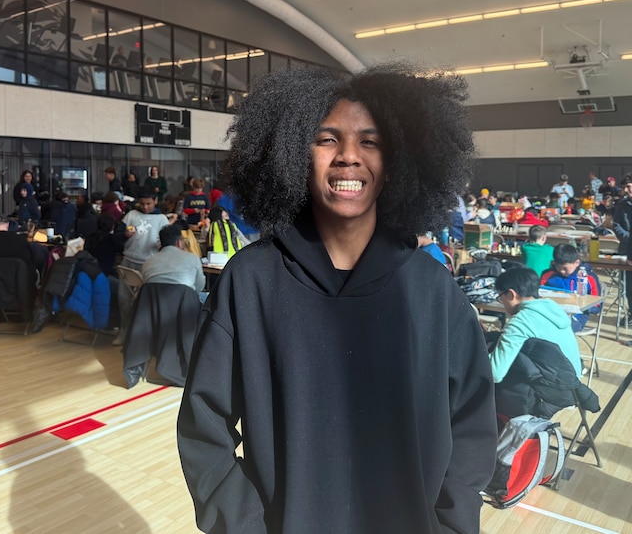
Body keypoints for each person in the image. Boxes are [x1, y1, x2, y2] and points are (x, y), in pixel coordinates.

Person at [177, 65, 497, 533]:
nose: (349, 156)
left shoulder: (432, 290)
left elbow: (473, 423)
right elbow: (204, 427)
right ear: (292, 156)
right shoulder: (250, 283)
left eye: (370, 141)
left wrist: (451, 524)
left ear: (397, 164)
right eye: (327, 139)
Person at [489, 268, 581, 383]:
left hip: (549, 395)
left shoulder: (520, 322)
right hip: (575, 388)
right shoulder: (555, 309)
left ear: (511, 294)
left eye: (500, 297)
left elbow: (495, 373)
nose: (501, 302)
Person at [540, 244, 601, 332]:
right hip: (551, 313)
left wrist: (582, 305)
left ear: (576, 263)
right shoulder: (547, 275)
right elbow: (538, 295)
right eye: (558, 267)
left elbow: (596, 306)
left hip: (576, 317)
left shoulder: (588, 278)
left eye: (565, 268)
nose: (561, 271)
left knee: (562, 328)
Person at [141, 224, 205, 298]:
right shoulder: (193, 259)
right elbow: (200, 287)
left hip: (153, 306)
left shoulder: (148, 262)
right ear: (179, 242)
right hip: (184, 305)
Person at [120, 187, 169, 272]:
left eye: (148, 204)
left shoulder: (162, 219)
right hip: (129, 259)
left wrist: (163, 244)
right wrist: (125, 235)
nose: (145, 207)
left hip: (151, 261)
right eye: (142, 204)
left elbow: (168, 242)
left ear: (155, 201)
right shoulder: (131, 215)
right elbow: (117, 236)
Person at [612, 173, 632, 319]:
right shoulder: (622, 204)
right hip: (626, 249)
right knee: (628, 285)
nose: (625, 190)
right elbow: (616, 225)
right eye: (624, 187)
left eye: (628, 187)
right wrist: (628, 238)